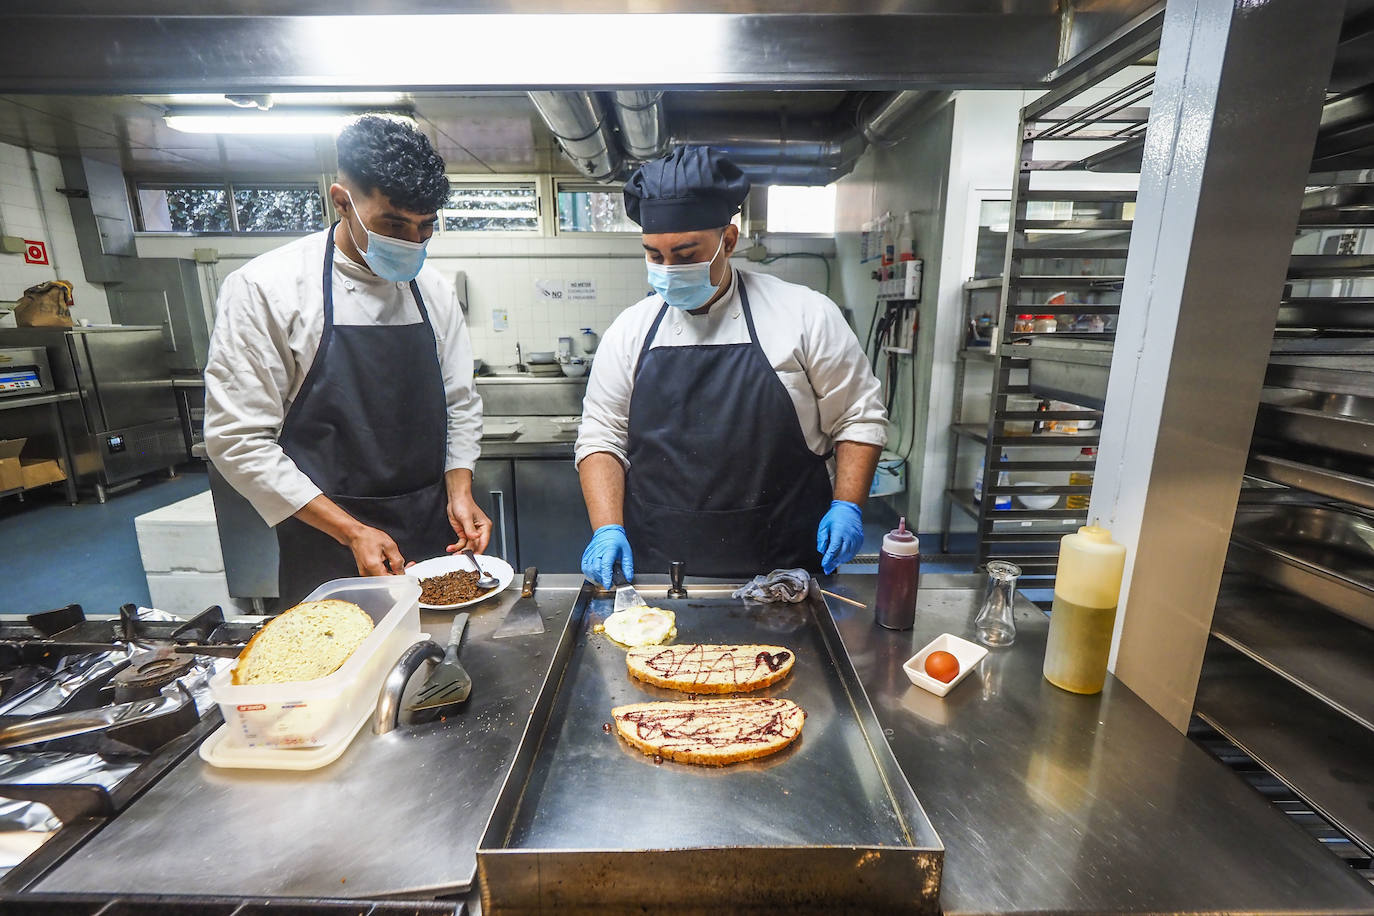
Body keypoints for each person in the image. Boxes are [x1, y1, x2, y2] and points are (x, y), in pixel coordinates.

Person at [205, 115, 489, 608]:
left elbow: (459, 403)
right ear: (342, 202)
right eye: (393, 225)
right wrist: (352, 531)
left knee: (441, 668)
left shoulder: (434, 291)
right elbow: (237, 440)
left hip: (430, 528)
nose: (412, 244)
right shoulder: (267, 288)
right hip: (327, 534)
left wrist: (460, 490)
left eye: (425, 229)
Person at [576, 145, 888, 587]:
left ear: (728, 240)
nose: (668, 270)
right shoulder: (630, 331)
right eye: (654, 255)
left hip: (784, 562)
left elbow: (858, 415)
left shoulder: (804, 314)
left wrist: (848, 505)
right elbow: (601, 435)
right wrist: (607, 528)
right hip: (662, 569)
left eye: (685, 255)